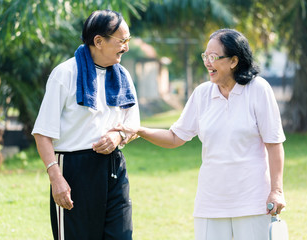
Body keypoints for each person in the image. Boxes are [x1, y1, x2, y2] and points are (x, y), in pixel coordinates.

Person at [114, 29, 286, 240]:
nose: (207, 62)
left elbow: (274, 143)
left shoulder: (258, 89)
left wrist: (276, 191)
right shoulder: (202, 94)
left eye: (214, 57)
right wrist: (139, 130)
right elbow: (175, 137)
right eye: (205, 56)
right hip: (210, 203)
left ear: (233, 61)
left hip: (252, 201)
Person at [32, 10, 139, 240]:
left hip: (113, 167)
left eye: (128, 40)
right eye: (122, 41)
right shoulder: (65, 74)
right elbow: (42, 134)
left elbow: (133, 122)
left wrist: (119, 136)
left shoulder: (123, 77)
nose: (126, 47)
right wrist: (56, 178)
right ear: (98, 41)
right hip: (73, 170)